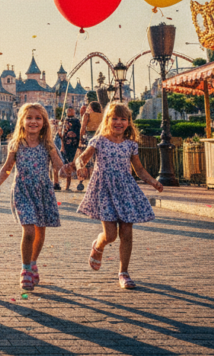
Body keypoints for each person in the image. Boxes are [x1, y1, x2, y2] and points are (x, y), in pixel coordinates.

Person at [76, 103, 164, 290]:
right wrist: (80, 166)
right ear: (107, 120)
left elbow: (138, 169)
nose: (119, 122)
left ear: (128, 123)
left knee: (126, 232)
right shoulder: (99, 140)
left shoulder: (131, 145)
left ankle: (123, 272)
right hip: (105, 190)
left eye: (123, 119)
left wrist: (153, 182)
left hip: (125, 190)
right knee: (110, 235)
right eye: (114, 118)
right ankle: (98, 246)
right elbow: (81, 158)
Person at [0, 104, 64, 290]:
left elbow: (59, 166)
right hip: (22, 190)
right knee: (29, 230)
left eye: (38, 118)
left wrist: (68, 169)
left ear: (44, 123)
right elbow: (7, 167)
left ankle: (33, 262)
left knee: (40, 231)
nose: (33, 121)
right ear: (22, 121)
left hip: (42, 191)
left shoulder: (48, 144)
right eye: (29, 117)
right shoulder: (16, 144)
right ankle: (24, 269)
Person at [59, 106, 83, 192]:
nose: (69, 111)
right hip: (66, 145)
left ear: (74, 111)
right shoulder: (64, 121)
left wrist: (79, 143)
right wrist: (62, 146)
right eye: (68, 110)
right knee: (67, 164)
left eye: (71, 109)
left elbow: (80, 132)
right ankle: (67, 186)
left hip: (74, 145)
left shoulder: (76, 121)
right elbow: (61, 135)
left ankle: (79, 182)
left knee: (74, 164)